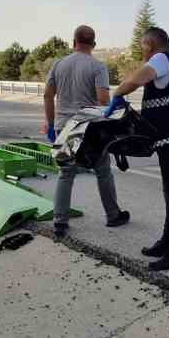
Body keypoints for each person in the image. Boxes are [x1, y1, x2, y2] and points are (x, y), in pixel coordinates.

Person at [109, 26, 169, 271]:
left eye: (142, 46)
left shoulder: (161, 59)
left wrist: (117, 94)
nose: (142, 51)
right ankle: (166, 243)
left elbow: (134, 80)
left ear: (150, 44)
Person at [44, 25, 129, 239]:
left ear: (73, 42)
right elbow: (103, 100)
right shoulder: (98, 66)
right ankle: (112, 215)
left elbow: (47, 95)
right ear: (94, 44)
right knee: (103, 171)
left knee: (66, 173)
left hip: (64, 126)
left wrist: (51, 124)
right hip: (88, 128)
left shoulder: (58, 64)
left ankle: (59, 221)